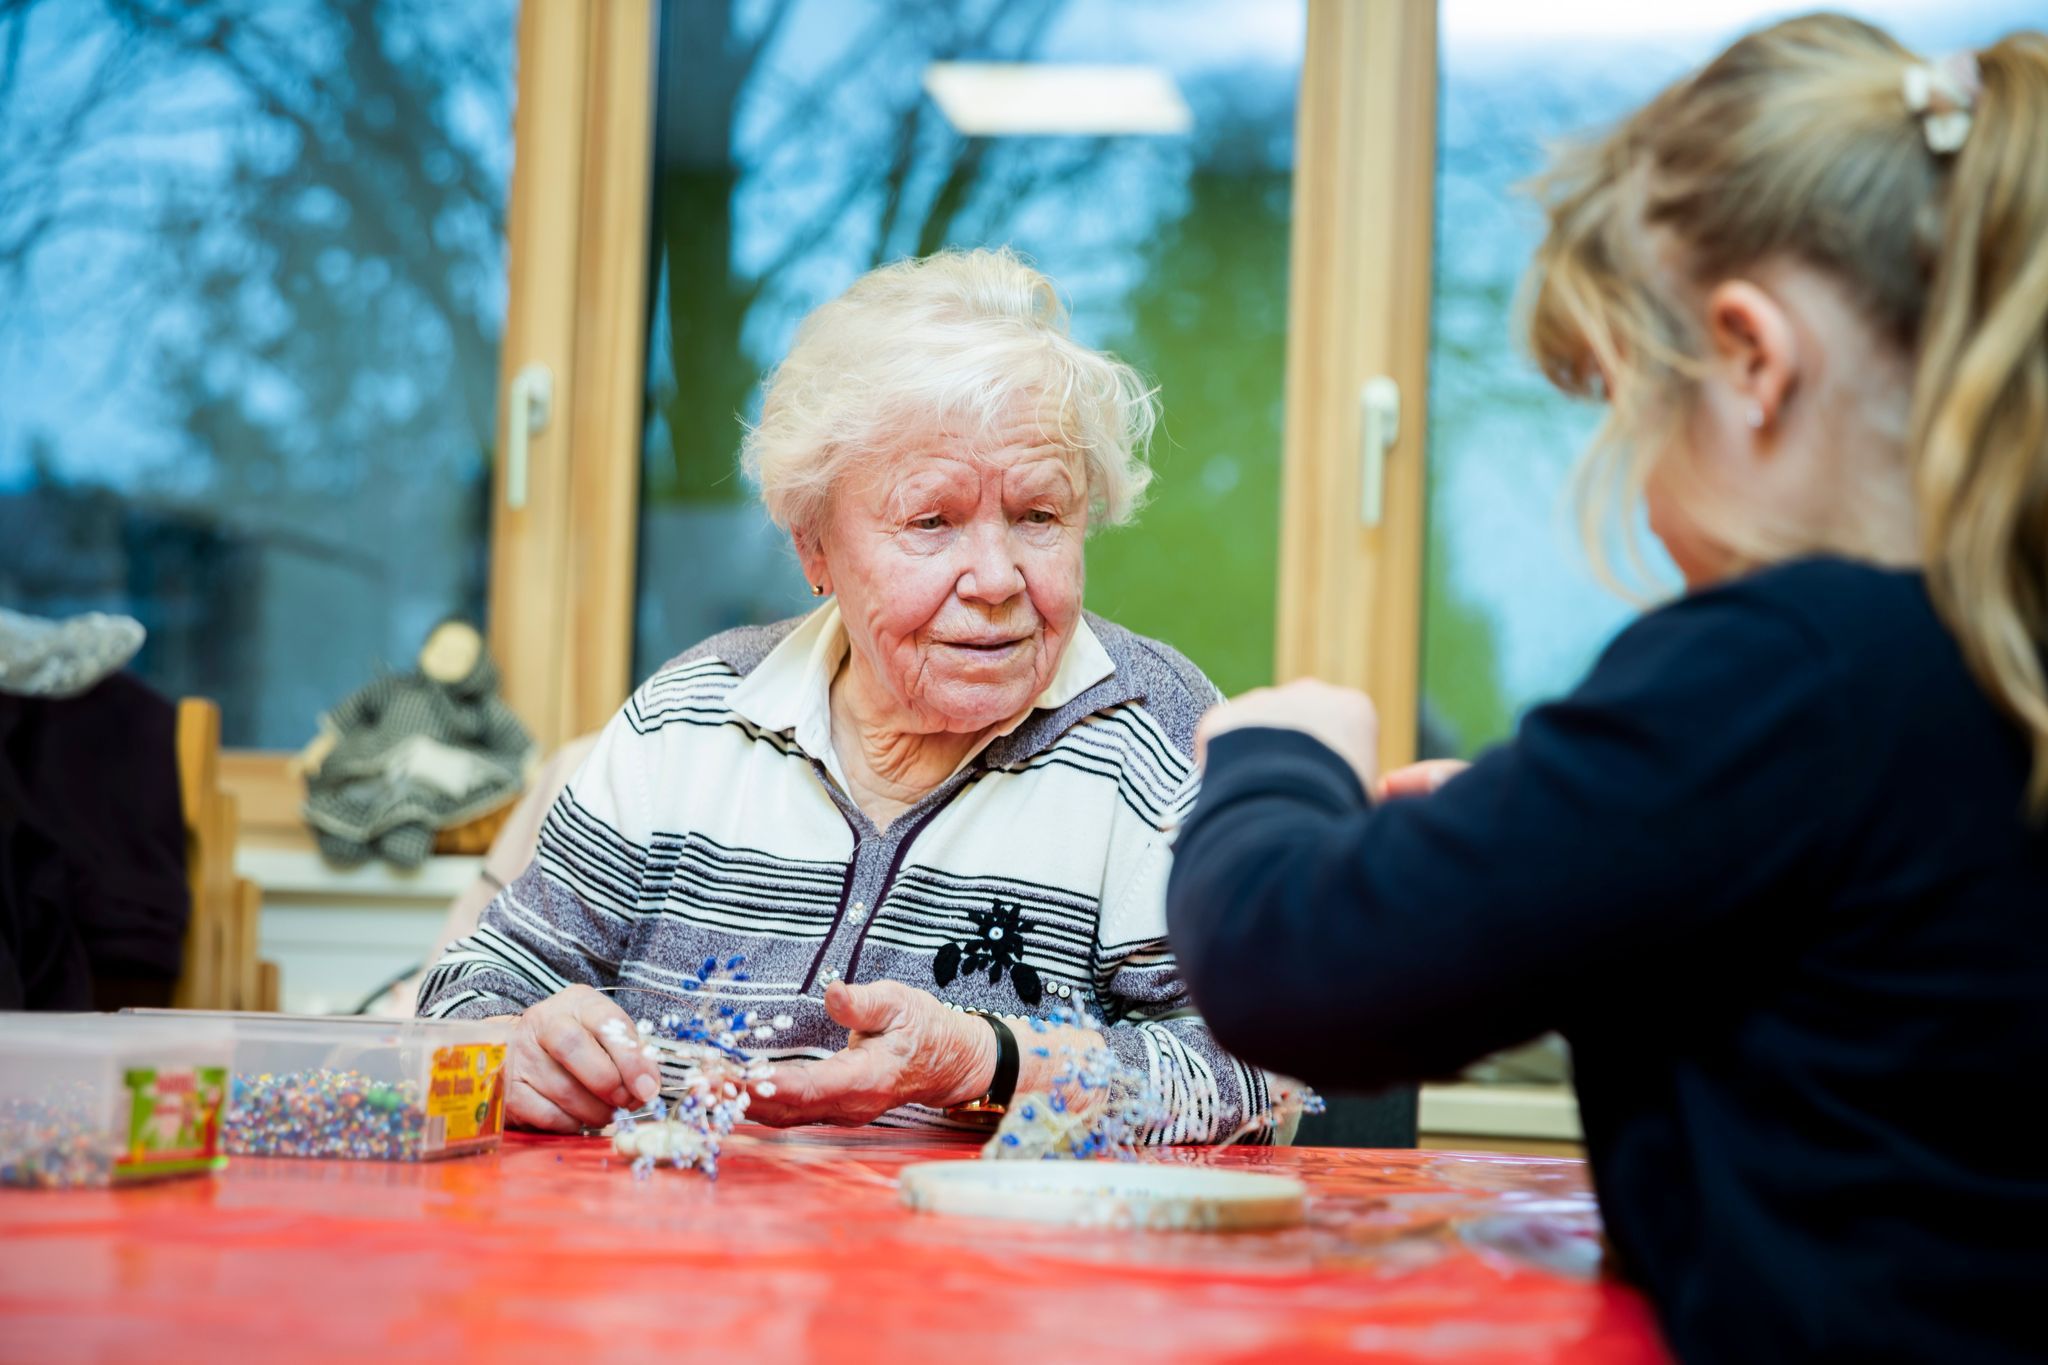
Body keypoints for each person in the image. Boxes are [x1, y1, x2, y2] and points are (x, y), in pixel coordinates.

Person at [1166, 16, 2048, 1365]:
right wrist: (1567, 832)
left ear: (1751, 359)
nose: (1634, 476)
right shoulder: (1987, 650)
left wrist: (1279, 758)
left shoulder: (1787, 662)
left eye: (1632, 409)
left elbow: (1299, 965)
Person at [419, 247, 1277, 1143]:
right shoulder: (691, 720)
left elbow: (1265, 1083)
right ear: (814, 548)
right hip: (676, 1265)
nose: (994, 577)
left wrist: (991, 1064)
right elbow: (469, 988)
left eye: (1038, 516)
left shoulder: (1159, 741)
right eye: (931, 521)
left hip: (993, 1274)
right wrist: (508, 1044)